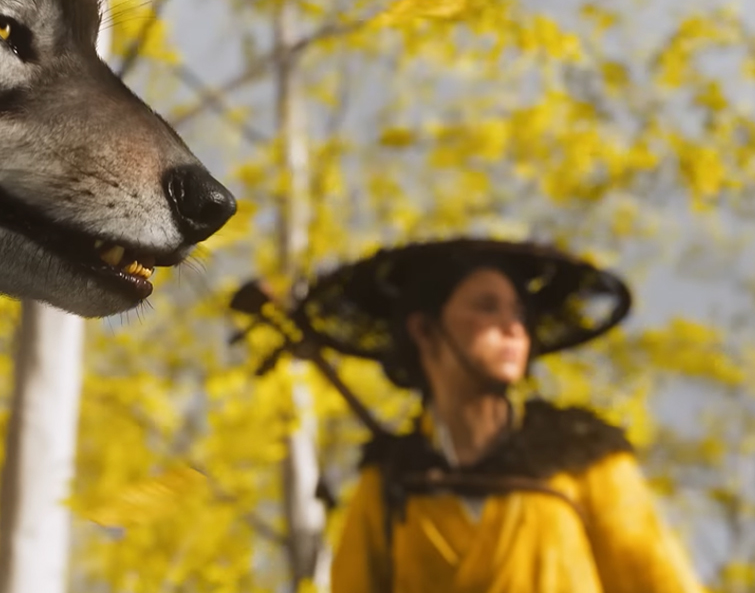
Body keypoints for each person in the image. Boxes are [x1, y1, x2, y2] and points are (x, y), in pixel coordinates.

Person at [276, 238, 705, 593]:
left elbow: (659, 580)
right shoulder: (391, 482)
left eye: (519, 312)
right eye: (486, 307)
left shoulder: (579, 457)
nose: (512, 326)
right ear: (424, 330)